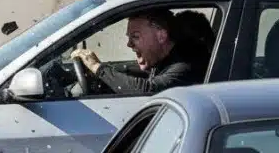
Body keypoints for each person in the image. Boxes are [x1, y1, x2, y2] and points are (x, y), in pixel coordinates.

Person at [70, 8, 205, 95]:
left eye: (135, 37)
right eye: (129, 37)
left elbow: (147, 91)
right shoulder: (164, 59)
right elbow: (132, 70)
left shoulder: (185, 65)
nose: (129, 44)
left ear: (161, 36)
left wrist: (98, 68)